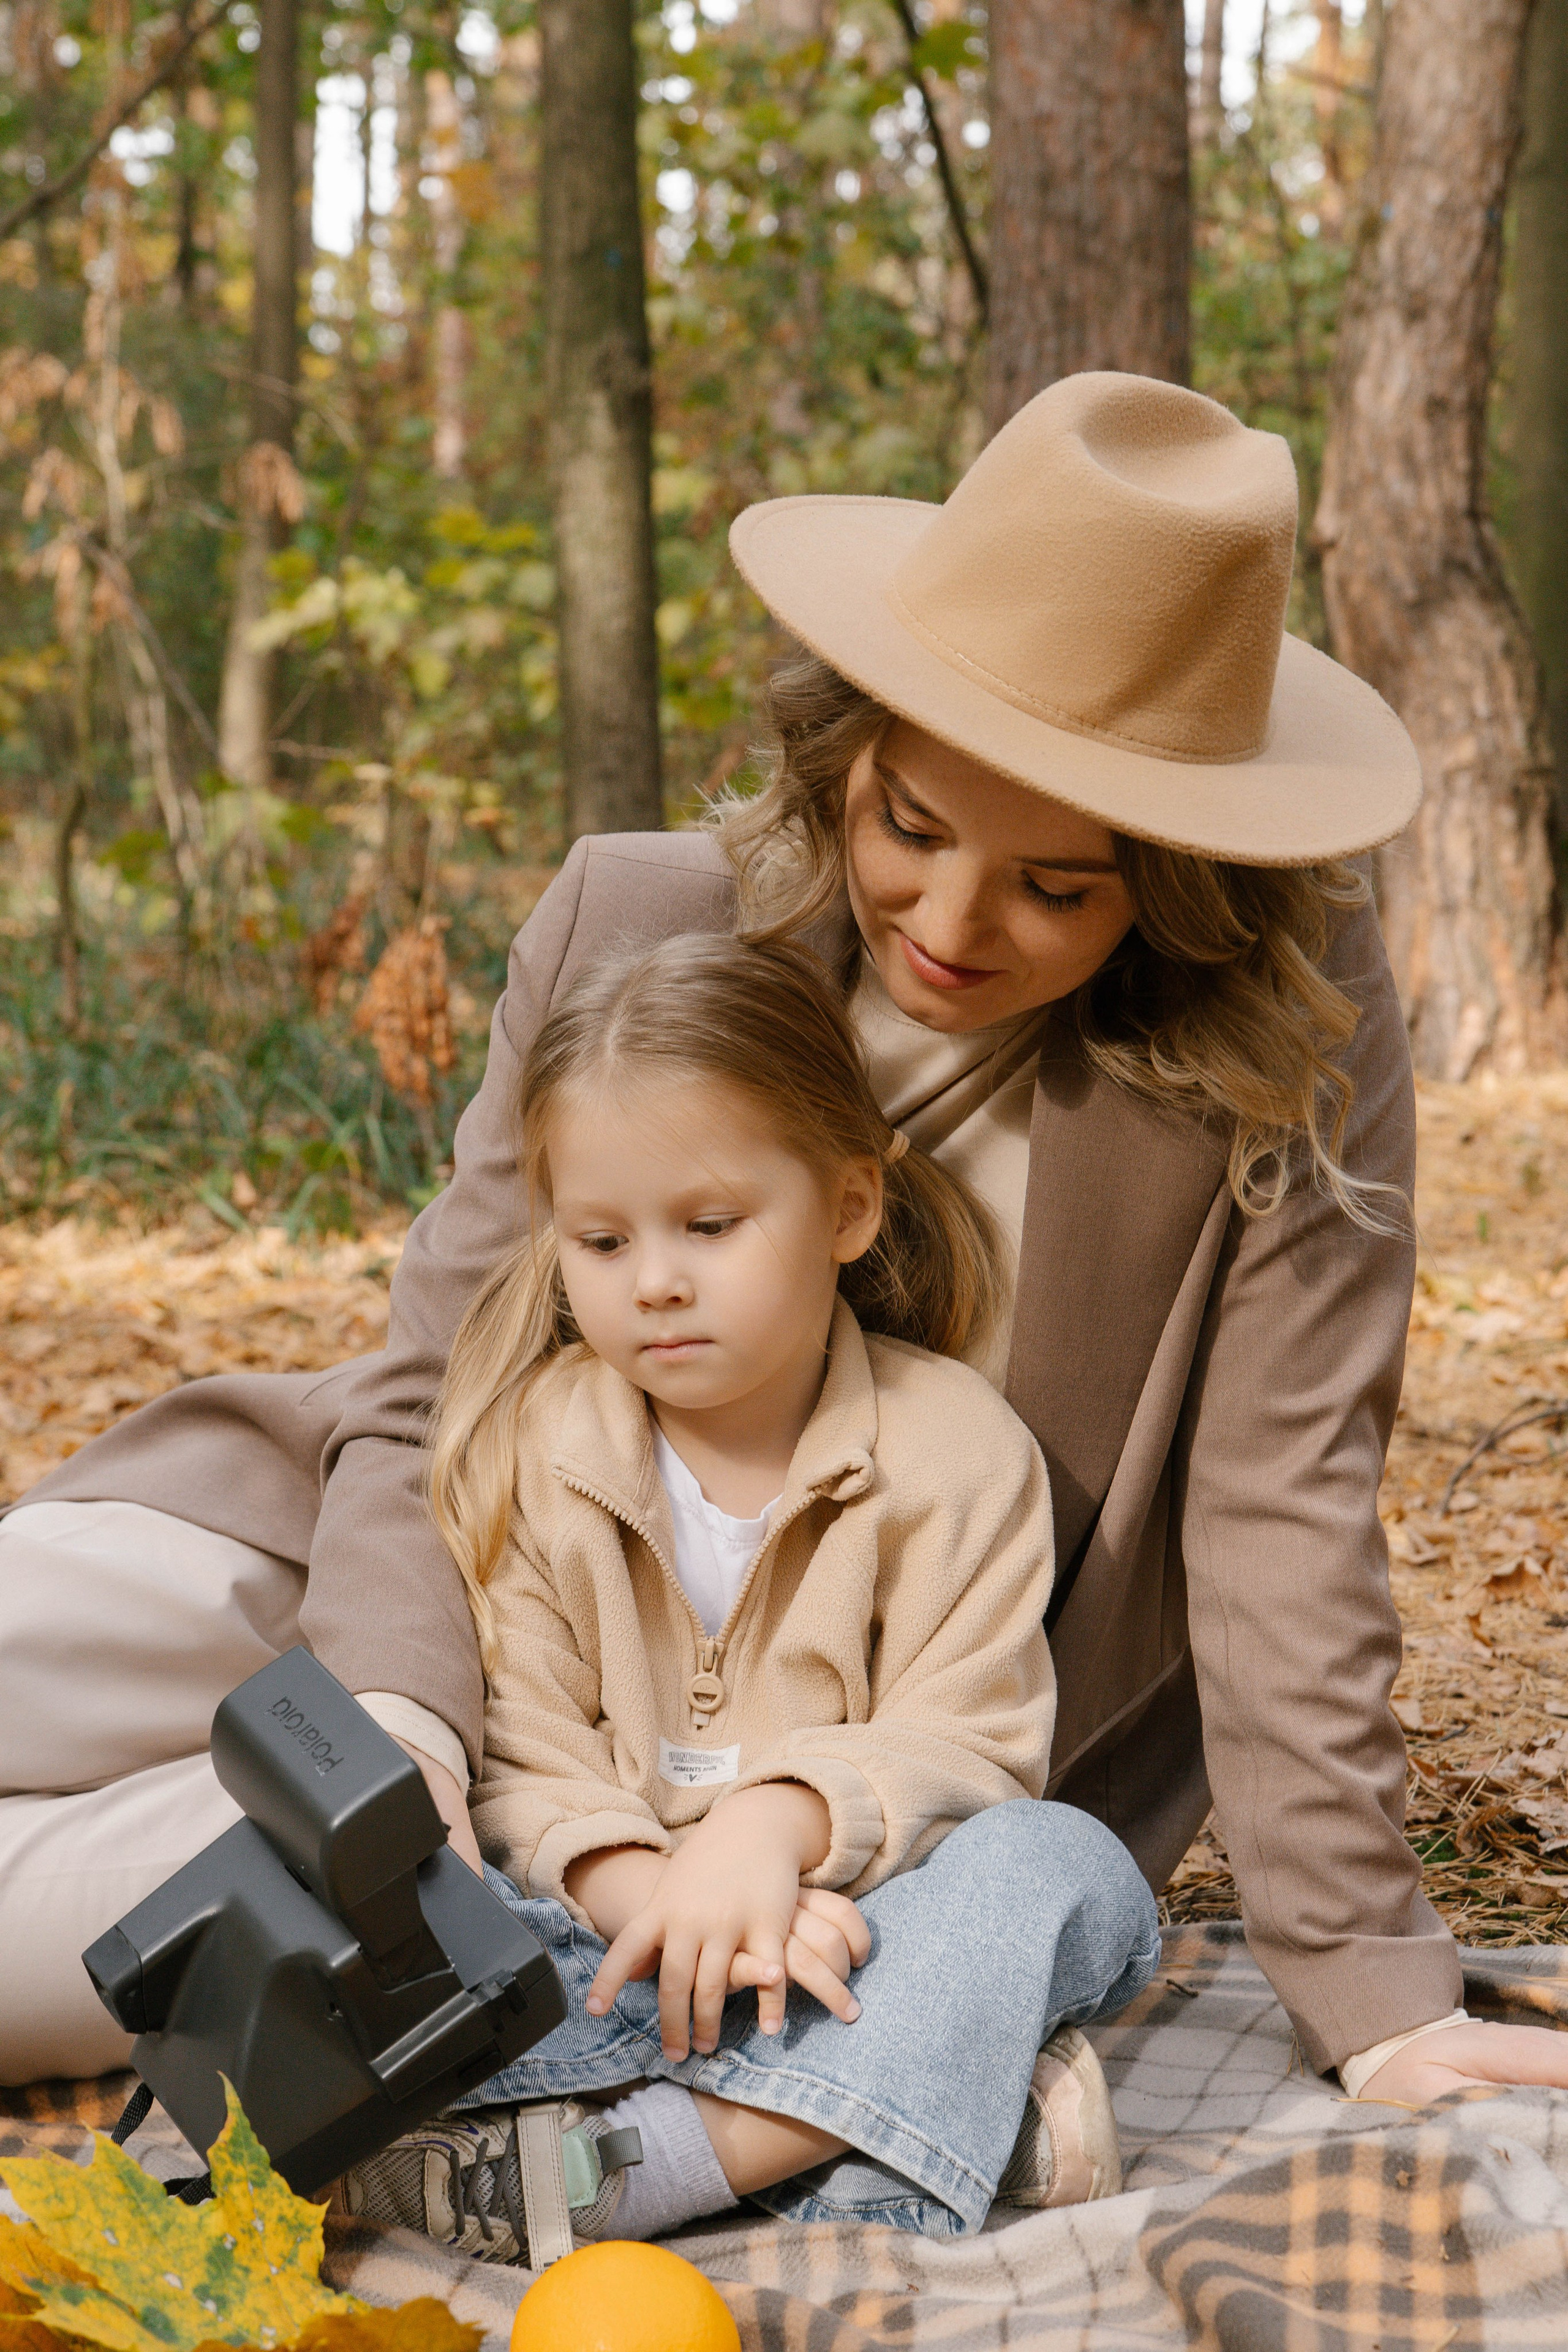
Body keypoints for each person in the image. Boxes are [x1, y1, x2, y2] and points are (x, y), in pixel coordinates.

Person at [4, 370, 1566, 2114]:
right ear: (851, 748)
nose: (955, 926)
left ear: (1184, 884)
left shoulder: (1287, 1042)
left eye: (1062, 886)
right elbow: (429, 1388)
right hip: (420, 1563)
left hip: (780, 1759)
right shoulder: (636, 917)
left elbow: (1280, 1512)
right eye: (909, 827)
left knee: (104, 1946)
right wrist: (407, 1718)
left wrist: (1373, 1988)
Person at [332, 930, 1156, 2256]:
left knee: (1067, 1876)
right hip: (601, 1939)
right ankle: (923, 2113)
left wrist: (773, 1833)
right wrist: (642, 1896)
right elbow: (518, 1751)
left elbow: (971, 1741)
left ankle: (655, 2162)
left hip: (856, 1922)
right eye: (599, 1240)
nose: (652, 1278)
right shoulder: (533, 1448)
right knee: (398, 1915)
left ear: (846, 1208)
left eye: (707, 1227)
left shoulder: (955, 1449)